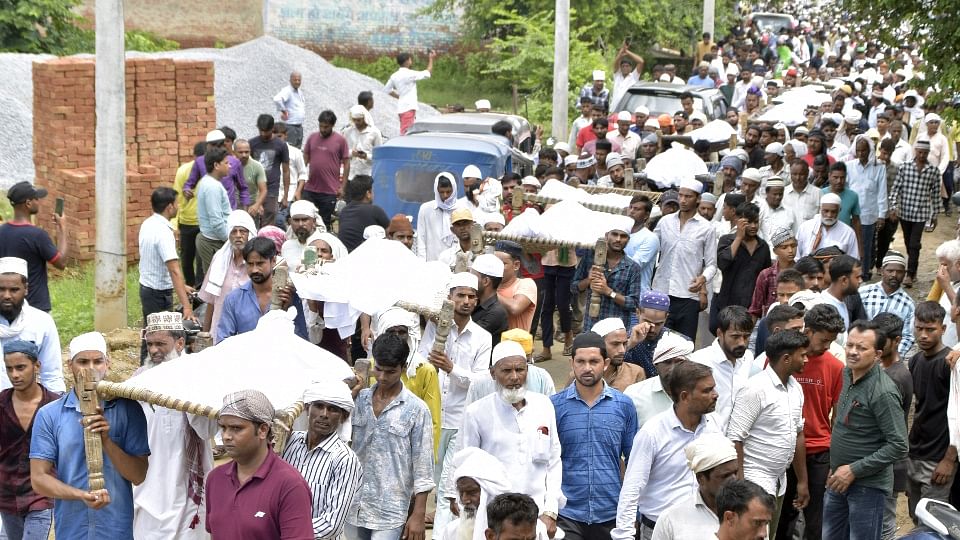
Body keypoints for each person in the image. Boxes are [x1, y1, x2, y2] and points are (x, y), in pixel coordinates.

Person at [30, 332, 150, 540]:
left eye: (98, 361)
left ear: (108, 364)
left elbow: (138, 475)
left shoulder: (128, 409)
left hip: (115, 530)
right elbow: (39, 479)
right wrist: (80, 495)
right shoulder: (50, 415)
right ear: (70, 366)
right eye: (83, 362)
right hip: (71, 530)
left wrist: (107, 441)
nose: (91, 369)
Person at [458, 340, 563, 538]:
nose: (514, 377)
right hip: (495, 521)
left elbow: (554, 461)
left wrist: (551, 511)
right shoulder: (476, 412)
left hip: (537, 517)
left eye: (520, 370)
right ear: (492, 373)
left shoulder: (544, 405)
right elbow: (468, 470)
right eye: (506, 371)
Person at [133, 312, 218, 539]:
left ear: (180, 343)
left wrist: (187, 386)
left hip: (188, 486)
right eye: (150, 344)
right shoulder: (139, 380)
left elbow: (208, 430)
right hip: (148, 485)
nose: (153, 351)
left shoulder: (198, 375)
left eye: (161, 344)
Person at [613, 361, 720, 540]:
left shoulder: (715, 425)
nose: (715, 395)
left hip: (704, 529)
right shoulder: (652, 433)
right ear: (685, 396)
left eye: (713, 388)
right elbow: (632, 488)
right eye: (707, 390)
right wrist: (624, 535)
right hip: (659, 532)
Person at [420, 273, 493, 533]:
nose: (466, 301)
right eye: (460, 295)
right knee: (434, 480)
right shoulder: (435, 328)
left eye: (471, 296)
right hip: (433, 417)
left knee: (450, 488)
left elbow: (480, 380)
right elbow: (422, 366)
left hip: (461, 420)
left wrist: (452, 369)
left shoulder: (483, 337)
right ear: (449, 298)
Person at [822, 320, 908, 540]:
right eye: (850, 345)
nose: (853, 352)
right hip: (837, 479)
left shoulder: (883, 392)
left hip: (867, 487)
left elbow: (899, 445)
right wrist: (836, 466)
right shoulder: (847, 374)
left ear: (878, 354)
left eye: (861, 348)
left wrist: (853, 470)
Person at [552, 331, 639, 539]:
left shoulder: (623, 405)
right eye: (580, 361)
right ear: (572, 363)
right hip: (567, 513)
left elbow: (635, 463)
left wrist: (633, 511)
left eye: (594, 361)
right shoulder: (554, 406)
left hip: (611, 512)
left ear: (606, 363)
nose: (587, 368)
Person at [349, 333, 434, 540]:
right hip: (352, 505)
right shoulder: (358, 399)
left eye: (390, 372)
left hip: (390, 511)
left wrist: (418, 514)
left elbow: (423, 466)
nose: (382, 377)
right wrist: (348, 396)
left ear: (403, 368)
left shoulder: (416, 409)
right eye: (378, 369)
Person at [727, 330, 810, 538]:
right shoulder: (755, 389)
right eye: (803, 355)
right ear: (786, 358)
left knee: (768, 536)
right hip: (754, 480)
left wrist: (802, 481)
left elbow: (798, 435)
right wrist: (741, 486)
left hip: (779, 481)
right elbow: (735, 438)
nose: (807, 360)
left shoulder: (796, 389)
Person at [205, 389, 314, 538]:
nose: (226, 436)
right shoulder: (215, 478)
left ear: (263, 430)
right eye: (223, 427)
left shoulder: (290, 485)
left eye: (236, 428)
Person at [282, 380, 363, 539]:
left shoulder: (345, 459)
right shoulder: (288, 442)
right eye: (319, 406)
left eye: (332, 409)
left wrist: (285, 531)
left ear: (343, 416)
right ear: (307, 409)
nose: (324, 414)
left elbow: (332, 524)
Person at [0, 340, 58, 540]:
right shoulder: (2, 403)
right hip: (7, 495)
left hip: (40, 494)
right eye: (9, 369)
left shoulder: (54, 405)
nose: (15, 375)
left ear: (37, 366)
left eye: (21, 367)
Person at [907, 301, 956, 518]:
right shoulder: (915, 360)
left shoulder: (950, 364)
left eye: (930, 329)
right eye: (919, 328)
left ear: (943, 329)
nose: (924, 335)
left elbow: (958, 413)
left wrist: (949, 459)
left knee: (935, 521)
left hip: (939, 457)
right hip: (915, 452)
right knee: (915, 516)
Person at [653, 179, 717, 341]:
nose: (682, 200)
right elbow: (652, 249)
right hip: (661, 292)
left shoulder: (706, 228)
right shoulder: (665, 222)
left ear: (697, 199)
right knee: (657, 342)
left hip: (688, 296)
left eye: (688, 196)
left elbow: (711, 265)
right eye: (680, 195)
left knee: (684, 344)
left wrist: (702, 279)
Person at [371, 307, 442, 453]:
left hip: (408, 451)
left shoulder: (424, 369)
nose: (397, 337)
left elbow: (432, 422)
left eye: (402, 332)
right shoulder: (373, 367)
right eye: (392, 332)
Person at [137, 187, 195, 360]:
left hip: (147, 287)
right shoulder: (164, 232)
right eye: (176, 203)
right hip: (158, 293)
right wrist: (186, 306)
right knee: (159, 338)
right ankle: (147, 372)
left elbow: (154, 261)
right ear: (170, 207)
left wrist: (182, 286)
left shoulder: (148, 224)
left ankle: (144, 369)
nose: (178, 207)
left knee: (151, 333)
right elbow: (174, 269)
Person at [216, 237, 308, 343]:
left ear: (273, 261)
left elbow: (302, 341)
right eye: (250, 264)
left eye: (260, 264)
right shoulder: (233, 299)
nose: (254, 270)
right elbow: (222, 340)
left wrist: (286, 312)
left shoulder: (288, 296)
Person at [651, 433, 739, 540]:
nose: (734, 480)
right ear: (701, 478)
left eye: (736, 473)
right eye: (725, 476)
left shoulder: (750, 514)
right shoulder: (671, 520)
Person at [873, 312, 913, 540]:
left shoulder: (896, 377)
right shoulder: (884, 370)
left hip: (887, 465)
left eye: (883, 339)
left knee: (884, 525)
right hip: (883, 463)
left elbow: (886, 429)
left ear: (897, 340)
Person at [0, 257, 64, 393]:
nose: (6, 295)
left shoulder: (42, 322)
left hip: (26, 406)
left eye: (14, 290)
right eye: (1, 289)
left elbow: (51, 375)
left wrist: (56, 411)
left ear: (26, 289)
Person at [0, 181, 66, 312]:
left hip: (8, 305)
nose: (39, 202)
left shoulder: (2, 231)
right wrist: (62, 227)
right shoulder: (37, 235)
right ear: (28, 203)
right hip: (35, 307)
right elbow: (61, 263)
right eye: (36, 199)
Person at [690, 306, 755, 431]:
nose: (742, 343)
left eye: (746, 337)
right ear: (720, 333)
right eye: (735, 337)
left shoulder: (748, 358)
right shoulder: (699, 361)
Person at [572, 219, 642, 332]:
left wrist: (608, 292)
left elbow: (633, 304)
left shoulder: (633, 267)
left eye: (623, 236)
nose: (618, 239)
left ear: (628, 240)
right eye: (614, 234)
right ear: (606, 236)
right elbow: (574, 287)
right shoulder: (591, 258)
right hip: (592, 325)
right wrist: (588, 280)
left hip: (616, 328)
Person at [441, 448, 526, 540]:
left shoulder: (525, 531)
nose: (465, 500)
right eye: (461, 493)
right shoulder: (451, 531)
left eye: (472, 492)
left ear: (490, 493)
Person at [889, 140, 941, 288]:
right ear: (915, 151)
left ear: (928, 153)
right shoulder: (905, 167)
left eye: (925, 152)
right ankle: (913, 267)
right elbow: (895, 189)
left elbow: (936, 194)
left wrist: (934, 215)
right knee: (908, 242)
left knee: (914, 243)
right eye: (920, 152)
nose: (922, 155)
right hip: (905, 212)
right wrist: (893, 207)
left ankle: (910, 274)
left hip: (921, 213)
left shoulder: (933, 171)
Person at [712, 203, 771, 333]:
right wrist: (739, 237)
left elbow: (767, 276)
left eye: (756, 222)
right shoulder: (726, 240)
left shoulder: (763, 246)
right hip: (728, 304)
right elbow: (723, 263)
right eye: (749, 222)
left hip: (752, 307)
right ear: (738, 221)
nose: (754, 226)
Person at [198, 210, 255, 335]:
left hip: (247, 332)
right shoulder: (219, 259)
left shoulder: (256, 263)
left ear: (250, 234)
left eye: (243, 231)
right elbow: (211, 301)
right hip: (220, 330)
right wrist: (205, 333)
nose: (238, 235)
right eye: (234, 231)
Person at [624, 331, 693, 428]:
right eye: (667, 362)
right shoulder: (634, 394)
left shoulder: (702, 393)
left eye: (679, 362)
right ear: (656, 365)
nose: (673, 368)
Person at [301, 110, 350, 229]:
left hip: (329, 190)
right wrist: (300, 182)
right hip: (310, 188)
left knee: (324, 223)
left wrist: (342, 187)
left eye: (326, 127)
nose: (323, 129)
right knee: (306, 220)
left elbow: (347, 163)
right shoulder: (312, 137)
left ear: (333, 125)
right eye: (321, 126)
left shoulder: (340, 141)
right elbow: (304, 160)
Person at [860, 252, 916, 356]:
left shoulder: (908, 304)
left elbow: (908, 337)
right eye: (890, 271)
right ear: (881, 271)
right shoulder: (864, 293)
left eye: (899, 272)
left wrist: (893, 357)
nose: (894, 275)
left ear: (904, 273)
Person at [846, 135, 887, 277]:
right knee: (850, 243)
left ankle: (863, 272)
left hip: (868, 213)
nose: (861, 154)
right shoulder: (849, 166)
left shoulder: (879, 167)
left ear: (869, 150)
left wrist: (882, 215)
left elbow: (882, 192)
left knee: (865, 244)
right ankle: (850, 271)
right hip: (850, 212)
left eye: (864, 150)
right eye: (858, 150)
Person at [182, 130, 250, 211]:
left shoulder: (234, 163)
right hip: (208, 212)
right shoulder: (200, 162)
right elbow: (189, 183)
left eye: (220, 144)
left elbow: (243, 188)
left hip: (229, 212)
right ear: (207, 146)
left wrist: (245, 212)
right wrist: (186, 190)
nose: (216, 148)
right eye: (213, 145)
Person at [194, 147, 233, 279]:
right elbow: (216, 221)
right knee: (216, 283)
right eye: (226, 163)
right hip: (214, 242)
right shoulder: (212, 187)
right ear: (216, 165)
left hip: (214, 240)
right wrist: (230, 241)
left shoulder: (209, 182)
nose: (230, 165)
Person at [172, 141, 207, 287]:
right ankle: (190, 287)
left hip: (204, 224)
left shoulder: (211, 173)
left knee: (201, 262)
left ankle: (199, 293)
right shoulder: (183, 171)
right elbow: (177, 198)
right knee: (186, 259)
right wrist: (174, 224)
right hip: (186, 222)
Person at [248, 114, 291, 228]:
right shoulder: (252, 143)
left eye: (266, 131)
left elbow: (286, 170)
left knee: (269, 222)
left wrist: (285, 195)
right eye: (261, 131)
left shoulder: (281, 145)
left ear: (272, 129)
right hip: (254, 189)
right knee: (252, 220)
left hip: (272, 189)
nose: (263, 134)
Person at [748, 229, 797, 319]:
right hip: (773, 326)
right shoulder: (766, 275)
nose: (790, 250)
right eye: (784, 247)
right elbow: (755, 309)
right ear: (775, 251)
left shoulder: (803, 272)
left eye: (793, 246)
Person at [385, 50, 435, 135]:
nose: (411, 61)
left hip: (401, 108)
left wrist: (399, 97)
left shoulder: (394, 75)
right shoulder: (409, 74)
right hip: (408, 108)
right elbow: (427, 73)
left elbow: (387, 90)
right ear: (407, 61)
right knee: (406, 133)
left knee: (406, 130)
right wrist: (431, 59)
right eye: (410, 59)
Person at [795, 193, 859, 259]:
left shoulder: (848, 233)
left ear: (839, 210)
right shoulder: (805, 228)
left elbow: (853, 259)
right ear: (820, 209)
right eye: (826, 211)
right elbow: (797, 256)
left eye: (833, 212)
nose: (829, 215)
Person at [417, 172, 463, 261]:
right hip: (431, 263)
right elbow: (421, 239)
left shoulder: (462, 209)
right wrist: (421, 264)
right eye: (441, 192)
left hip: (454, 262)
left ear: (454, 190)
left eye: (448, 192)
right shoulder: (425, 209)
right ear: (436, 190)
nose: (445, 195)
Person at [337, 175, 390, 252]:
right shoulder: (375, 210)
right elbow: (391, 233)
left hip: (345, 256)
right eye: (373, 191)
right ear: (368, 193)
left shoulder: (344, 211)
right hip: (365, 256)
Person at [495, 241, 538, 332]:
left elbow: (515, 308)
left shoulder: (526, 284)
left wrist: (488, 291)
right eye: (495, 263)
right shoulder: (489, 285)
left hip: (516, 345)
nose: (496, 267)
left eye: (503, 264)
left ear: (516, 265)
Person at [471, 253, 509, 346]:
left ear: (486, 281)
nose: (470, 280)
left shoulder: (496, 313)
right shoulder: (476, 303)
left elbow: (467, 337)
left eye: (473, 276)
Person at [624, 195, 659, 295]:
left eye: (637, 209)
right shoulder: (619, 234)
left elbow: (634, 267)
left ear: (646, 215)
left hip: (636, 294)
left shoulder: (650, 238)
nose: (631, 211)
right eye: (630, 207)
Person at [819, 254, 862, 333]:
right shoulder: (824, 305)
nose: (860, 281)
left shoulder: (842, 301)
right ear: (844, 280)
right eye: (857, 277)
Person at [343, 105, 383, 180]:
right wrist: (352, 153)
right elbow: (342, 152)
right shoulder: (348, 131)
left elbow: (379, 156)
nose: (356, 122)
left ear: (364, 118)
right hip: (350, 175)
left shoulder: (375, 133)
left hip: (367, 175)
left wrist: (366, 156)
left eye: (359, 120)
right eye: (354, 120)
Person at [234, 139, 268, 225]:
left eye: (247, 152)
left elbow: (263, 190)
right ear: (234, 152)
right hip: (234, 204)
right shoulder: (228, 165)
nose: (244, 155)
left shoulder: (257, 166)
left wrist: (257, 204)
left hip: (251, 205)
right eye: (240, 152)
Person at [281, 200, 322, 268]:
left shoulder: (325, 244)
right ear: (290, 222)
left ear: (314, 222)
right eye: (296, 220)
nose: (300, 224)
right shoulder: (287, 246)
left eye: (304, 220)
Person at [273, 71, 305, 147]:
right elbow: (277, 99)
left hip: (299, 126)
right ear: (290, 80)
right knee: (290, 149)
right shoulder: (287, 90)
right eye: (295, 80)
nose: (297, 82)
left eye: (299, 80)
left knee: (298, 149)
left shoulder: (299, 92)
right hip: (290, 126)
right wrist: (283, 111)